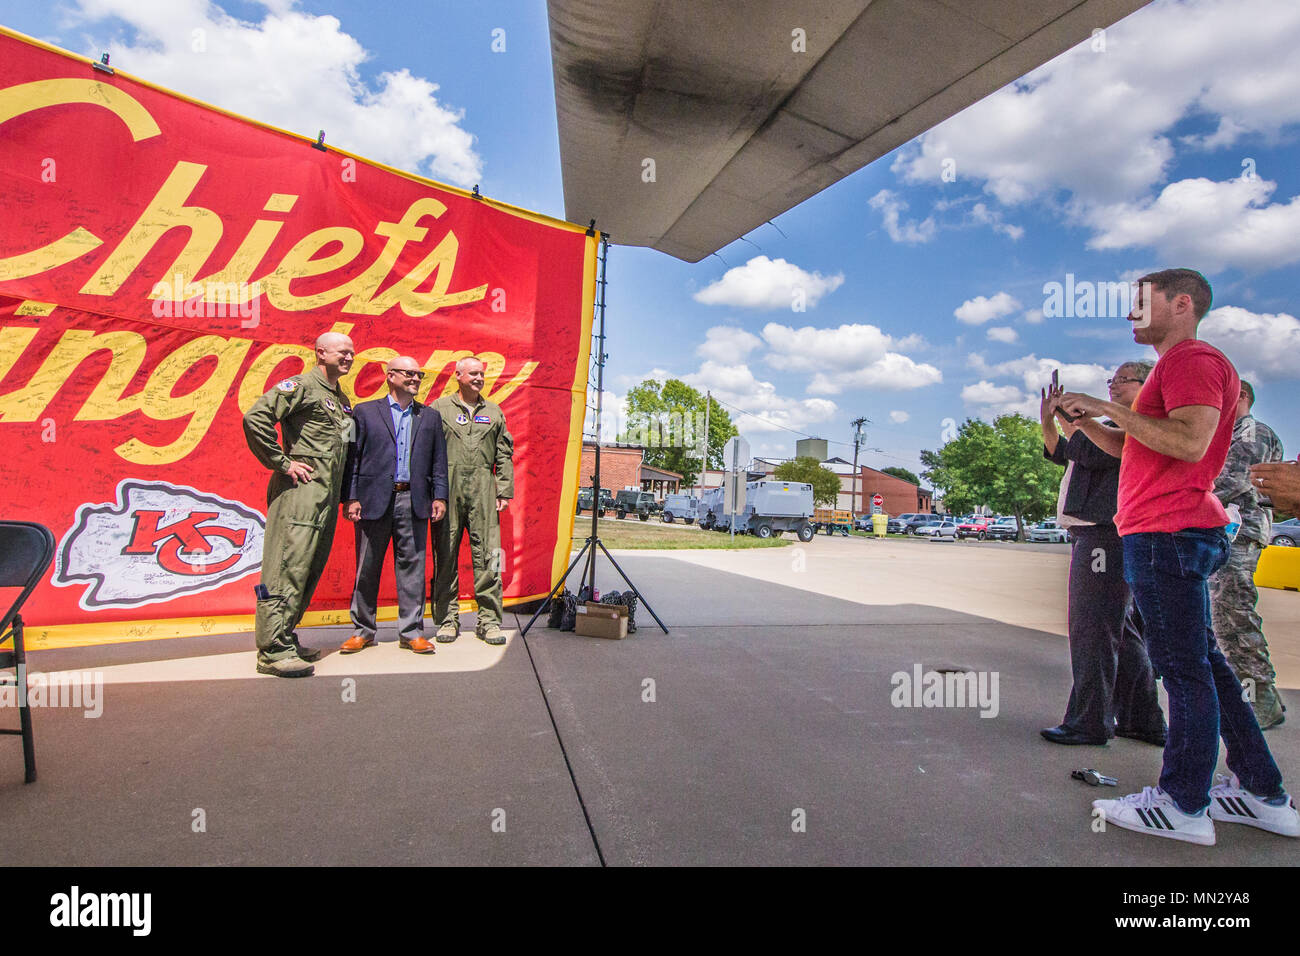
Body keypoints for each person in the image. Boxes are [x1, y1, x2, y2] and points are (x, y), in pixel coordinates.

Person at [1060, 268, 1296, 845]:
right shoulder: (1174, 367)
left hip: (1168, 531)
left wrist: (1102, 402)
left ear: (1182, 302)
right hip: (1169, 531)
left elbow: (1189, 442)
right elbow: (1137, 442)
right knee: (1205, 665)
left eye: (1141, 303)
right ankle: (1261, 792)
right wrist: (1091, 422)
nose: (1129, 315)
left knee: (1183, 672)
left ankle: (1183, 804)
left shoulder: (1193, 359)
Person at [1038, 362, 1165, 747]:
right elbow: (1062, 452)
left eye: (1123, 380)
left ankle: (1089, 721)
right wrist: (1051, 420)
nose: (1113, 386)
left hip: (1106, 535)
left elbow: (1096, 450)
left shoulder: (1134, 427)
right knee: (1118, 632)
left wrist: (1073, 418)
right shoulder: (1113, 427)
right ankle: (1142, 720)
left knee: (1093, 628)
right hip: (1099, 533)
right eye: (1112, 380)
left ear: (1146, 385)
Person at [243, 331, 355, 678]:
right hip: (299, 494)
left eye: (352, 352)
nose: (349, 357)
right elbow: (255, 418)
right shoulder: (300, 386)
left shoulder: (340, 398)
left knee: (307, 567)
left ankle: (285, 636)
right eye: (342, 352)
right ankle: (271, 651)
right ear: (320, 353)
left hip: (324, 496)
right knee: (286, 566)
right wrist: (282, 462)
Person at [338, 356, 449, 655]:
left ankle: (411, 632)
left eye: (419, 374)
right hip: (373, 500)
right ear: (391, 376)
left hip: (413, 501)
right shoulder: (364, 413)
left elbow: (439, 460)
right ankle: (363, 631)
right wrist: (351, 497)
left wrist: (440, 496)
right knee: (367, 568)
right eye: (409, 373)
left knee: (412, 569)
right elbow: (353, 458)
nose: (415, 379)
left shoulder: (429, 417)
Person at [1210, 380, 1285, 728]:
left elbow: (1233, 479)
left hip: (1240, 533)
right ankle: (1265, 695)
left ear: (1241, 396)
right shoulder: (1230, 432)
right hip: (1227, 531)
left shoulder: (1253, 432)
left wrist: (1185, 491)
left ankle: (1260, 702)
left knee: (1232, 615)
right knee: (1227, 614)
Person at [431, 356, 514, 645]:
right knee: (445, 556)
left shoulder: (493, 411)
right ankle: (446, 620)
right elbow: (426, 451)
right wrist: (432, 492)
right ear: (458, 375)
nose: (479, 378)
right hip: (447, 488)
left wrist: (503, 490)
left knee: (491, 557)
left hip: (483, 489)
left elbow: (504, 452)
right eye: (473, 373)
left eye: (482, 374)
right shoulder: (439, 408)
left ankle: (489, 621)